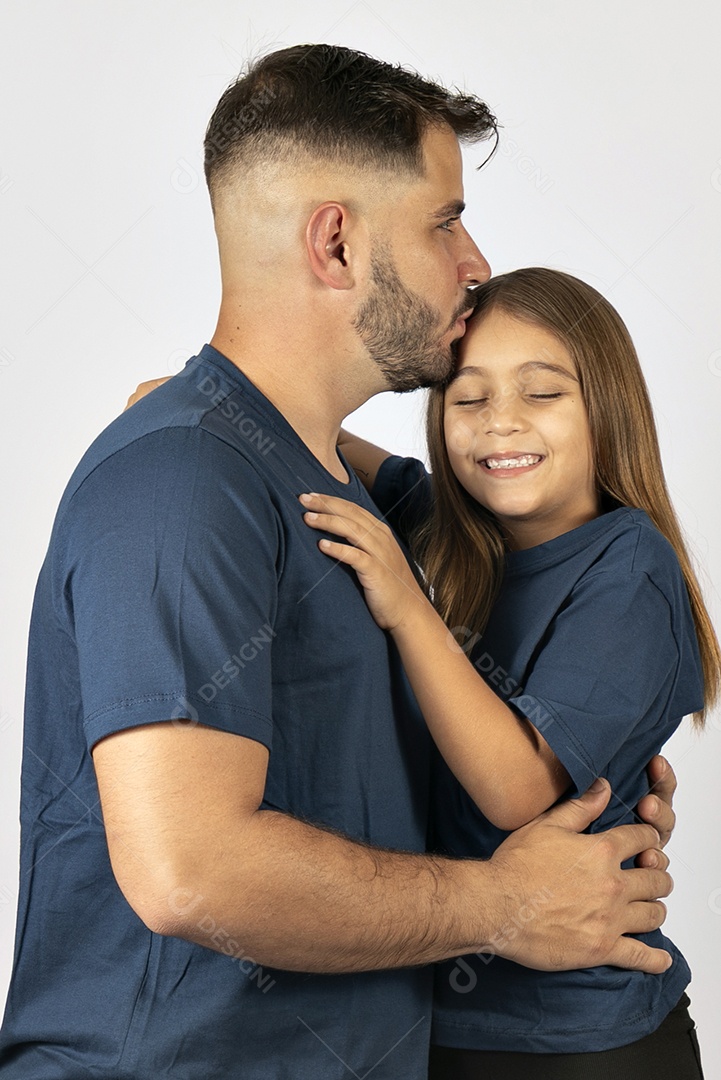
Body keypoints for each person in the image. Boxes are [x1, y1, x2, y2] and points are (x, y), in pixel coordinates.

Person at [0, 47, 678, 1080]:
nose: (475, 259)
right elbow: (193, 872)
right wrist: (508, 902)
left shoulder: (337, 494)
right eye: (444, 220)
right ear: (336, 242)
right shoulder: (184, 484)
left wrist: (605, 788)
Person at [300, 266, 718, 1079]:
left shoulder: (628, 569)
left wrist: (405, 605)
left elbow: (518, 790)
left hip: (581, 1039)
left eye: (541, 394)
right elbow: (362, 458)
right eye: (469, 398)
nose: (501, 426)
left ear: (609, 407)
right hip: (436, 1024)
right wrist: (216, 404)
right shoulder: (453, 533)